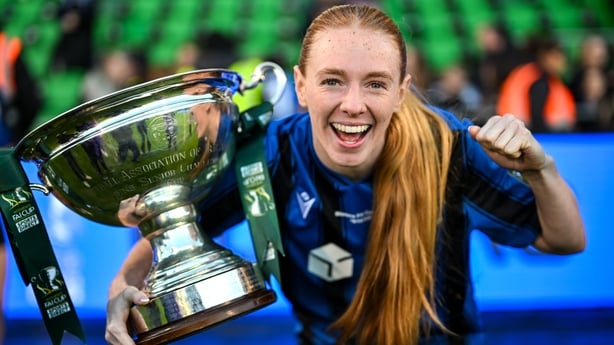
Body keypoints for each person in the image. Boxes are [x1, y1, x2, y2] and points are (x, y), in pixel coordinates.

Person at [105, 4, 586, 345]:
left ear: (401, 92)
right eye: (332, 80)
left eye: (375, 84)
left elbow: (564, 240)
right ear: (301, 86)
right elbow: (168, 236)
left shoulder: (450, 149)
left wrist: (542, 171)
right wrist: (120, 291)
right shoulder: (265, 157)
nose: (352, 105)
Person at [496, 34, 577, 133]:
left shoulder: (546, 79)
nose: (561, 62)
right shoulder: (539, 83)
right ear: (545, 56)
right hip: (521, 133)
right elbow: (537, 120)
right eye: (556, 57)